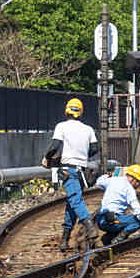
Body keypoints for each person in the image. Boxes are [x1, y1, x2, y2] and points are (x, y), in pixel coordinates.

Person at [45, 97, 99, 251]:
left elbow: (55, 146)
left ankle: (89, 225)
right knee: (71, 204)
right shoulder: (88, 129)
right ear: (80, 112)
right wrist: (82, 155)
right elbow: (94, 149)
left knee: (75, 201)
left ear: (67, 110)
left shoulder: (61, 126)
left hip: (68, 170)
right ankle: (65, 239)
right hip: (81, 171)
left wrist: (46, 158)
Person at [94, 164, 140, 244]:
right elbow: (136, 207)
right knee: (138, 221)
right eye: (138, 181)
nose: (138, 184)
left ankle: (108, 238)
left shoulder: (113, 180)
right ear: (132, 178)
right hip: (112, 222)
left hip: (100, 220)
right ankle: (117, 240)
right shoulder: (129, 189)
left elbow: (99, 182)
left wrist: (107, 176)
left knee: (122, 221)